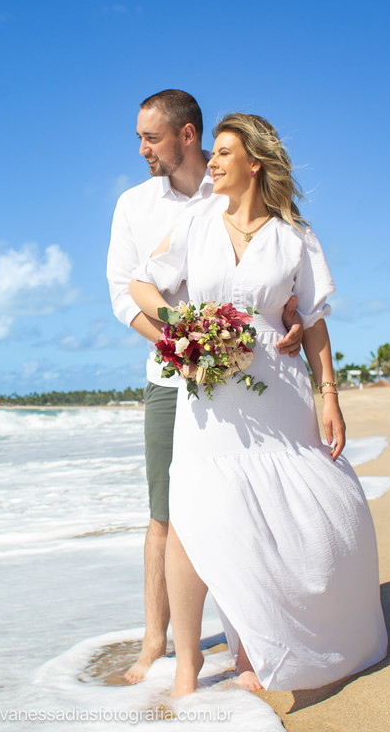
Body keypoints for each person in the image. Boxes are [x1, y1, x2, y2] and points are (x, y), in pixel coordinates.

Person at [128, 112, 386, 696]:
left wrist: (330, 397)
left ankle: (269, 644)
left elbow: (314, 323)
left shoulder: (295, 237)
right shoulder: (196, 222)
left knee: (299, 509)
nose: (213, 163)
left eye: (224, 153)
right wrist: (182, 324)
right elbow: (141, 286)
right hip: (210, 396)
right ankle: (188, 669)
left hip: (280, 389)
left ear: (255, 163)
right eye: (212, 152)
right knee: (194, 516)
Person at [106, 90, 307, 684]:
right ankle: (157, 645)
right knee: (166, 515)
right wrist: (180, 342)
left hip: (250, 382)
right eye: (139, 138)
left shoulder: (233, 190)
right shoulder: (134, 205)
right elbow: (126, 294)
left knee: (243, 505)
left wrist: (289, 318)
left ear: (186, 135)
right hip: (170, 378)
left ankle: (248, 641)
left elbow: (279, 282)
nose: (141, 149)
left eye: (150, 138)